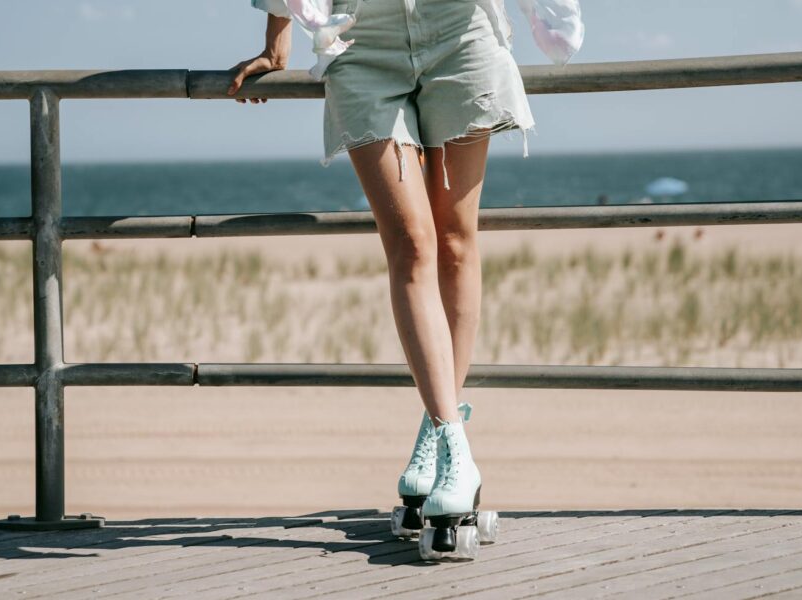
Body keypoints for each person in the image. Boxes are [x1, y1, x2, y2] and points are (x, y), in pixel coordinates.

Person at [231, 0, 583, 560]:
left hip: (460, 29)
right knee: (412, 243)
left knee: (456, 243)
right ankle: (455, 442)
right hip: (361, 39)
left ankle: (437, 438)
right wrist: (279, 43)